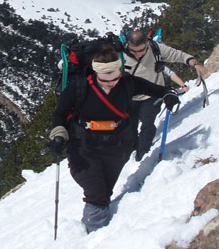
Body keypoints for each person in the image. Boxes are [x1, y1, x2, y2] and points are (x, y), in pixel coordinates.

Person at [48, 44, 179, 233]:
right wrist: (59, 133)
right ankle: (94, 235)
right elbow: (59, 115)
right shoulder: (79, 87)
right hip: (84, 147)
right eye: (105, 77)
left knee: (105, 191)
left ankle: (104, 233)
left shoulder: (128, 82)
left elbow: (159, 90)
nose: (111, 82)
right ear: (96, 73)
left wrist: (169, 95)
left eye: (115, 76)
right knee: (96, 193)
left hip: (117, 147)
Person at [123, 30, 208, 161]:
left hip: (152, 96)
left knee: (148, 124)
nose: (137, 54)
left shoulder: (155, 48)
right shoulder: (120, 54)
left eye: (141, 50)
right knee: (129, 127)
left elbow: (178, 55)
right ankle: (130, 151)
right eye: (133, 51)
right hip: (128, 98)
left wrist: (195, 63)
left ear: (147, 44)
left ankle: (142, 154)